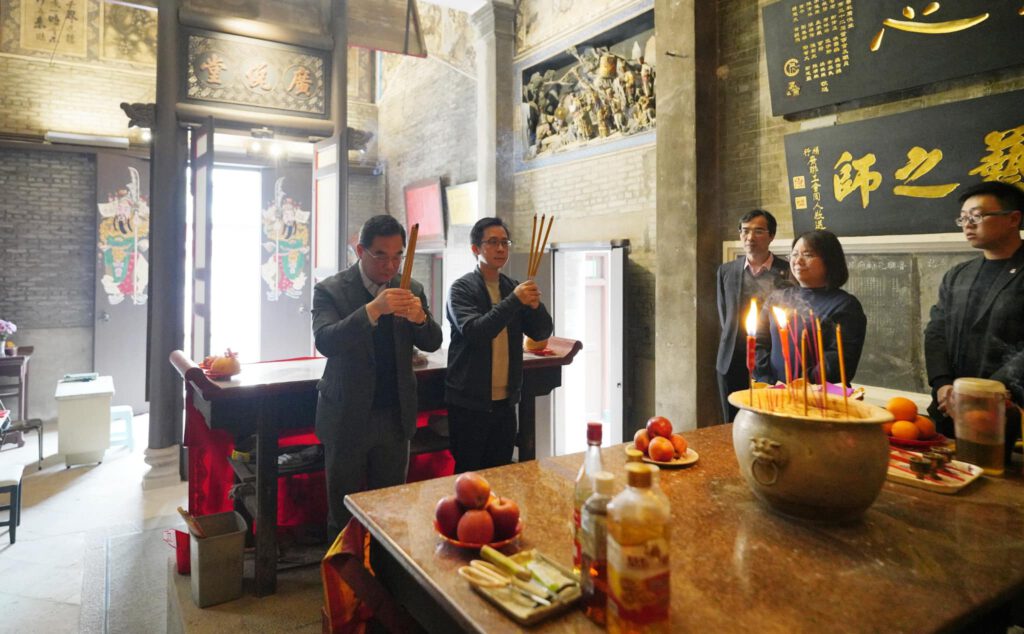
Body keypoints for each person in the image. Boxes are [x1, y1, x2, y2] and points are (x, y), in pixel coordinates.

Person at [312, 215, 443, 538]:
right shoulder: (330, 289)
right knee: (343, 514)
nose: (391, 265)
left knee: (391, 512)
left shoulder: (410, 287)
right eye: (381, 255)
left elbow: (433, 341)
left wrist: (419, 318)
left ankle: (385, 569)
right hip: (347, 416)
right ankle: (344, 569)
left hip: (395, 415)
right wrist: (373, 309)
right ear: (360, 251)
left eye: (398, 256)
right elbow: (326, 341)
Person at [924, 181, 1024, 461]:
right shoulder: (959, 274)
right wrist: (942, 384)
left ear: (1013, 218)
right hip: (949, 407)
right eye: (963, 218)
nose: (967, 224)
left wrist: (984, 394)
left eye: (977, 216)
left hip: (1007, 410)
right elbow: (936, 331)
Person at [445, 217, 553, 472]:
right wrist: (514, 301)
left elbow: (541, 332)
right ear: (475, 248)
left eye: (505, 242)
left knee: (501, 473)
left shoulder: (511, 287)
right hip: (469, 401)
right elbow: (476, 332)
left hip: (506, 400)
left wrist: (536, 307)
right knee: (469, 475)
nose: (501, 248)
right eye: (493, 242)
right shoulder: (461, 289)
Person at [755, 229, 866, 389]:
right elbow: (759, 341)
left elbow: (838, 360)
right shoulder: (777, 298)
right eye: (794, 254)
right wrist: (768, 379)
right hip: (773, 392)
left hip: (818, 395)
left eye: (807, 255)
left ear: (829, 260)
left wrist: (802, 385)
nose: (798, 261)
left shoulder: (845, 305)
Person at [716, 210, 792, 422]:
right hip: (732, 358)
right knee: (731, 421)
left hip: (769, 359)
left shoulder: (788, 271)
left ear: (771, 235)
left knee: (767, 421)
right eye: (745, 231)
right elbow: (724, 313)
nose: (750, 237)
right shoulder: (726, 271)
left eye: (758, 231)